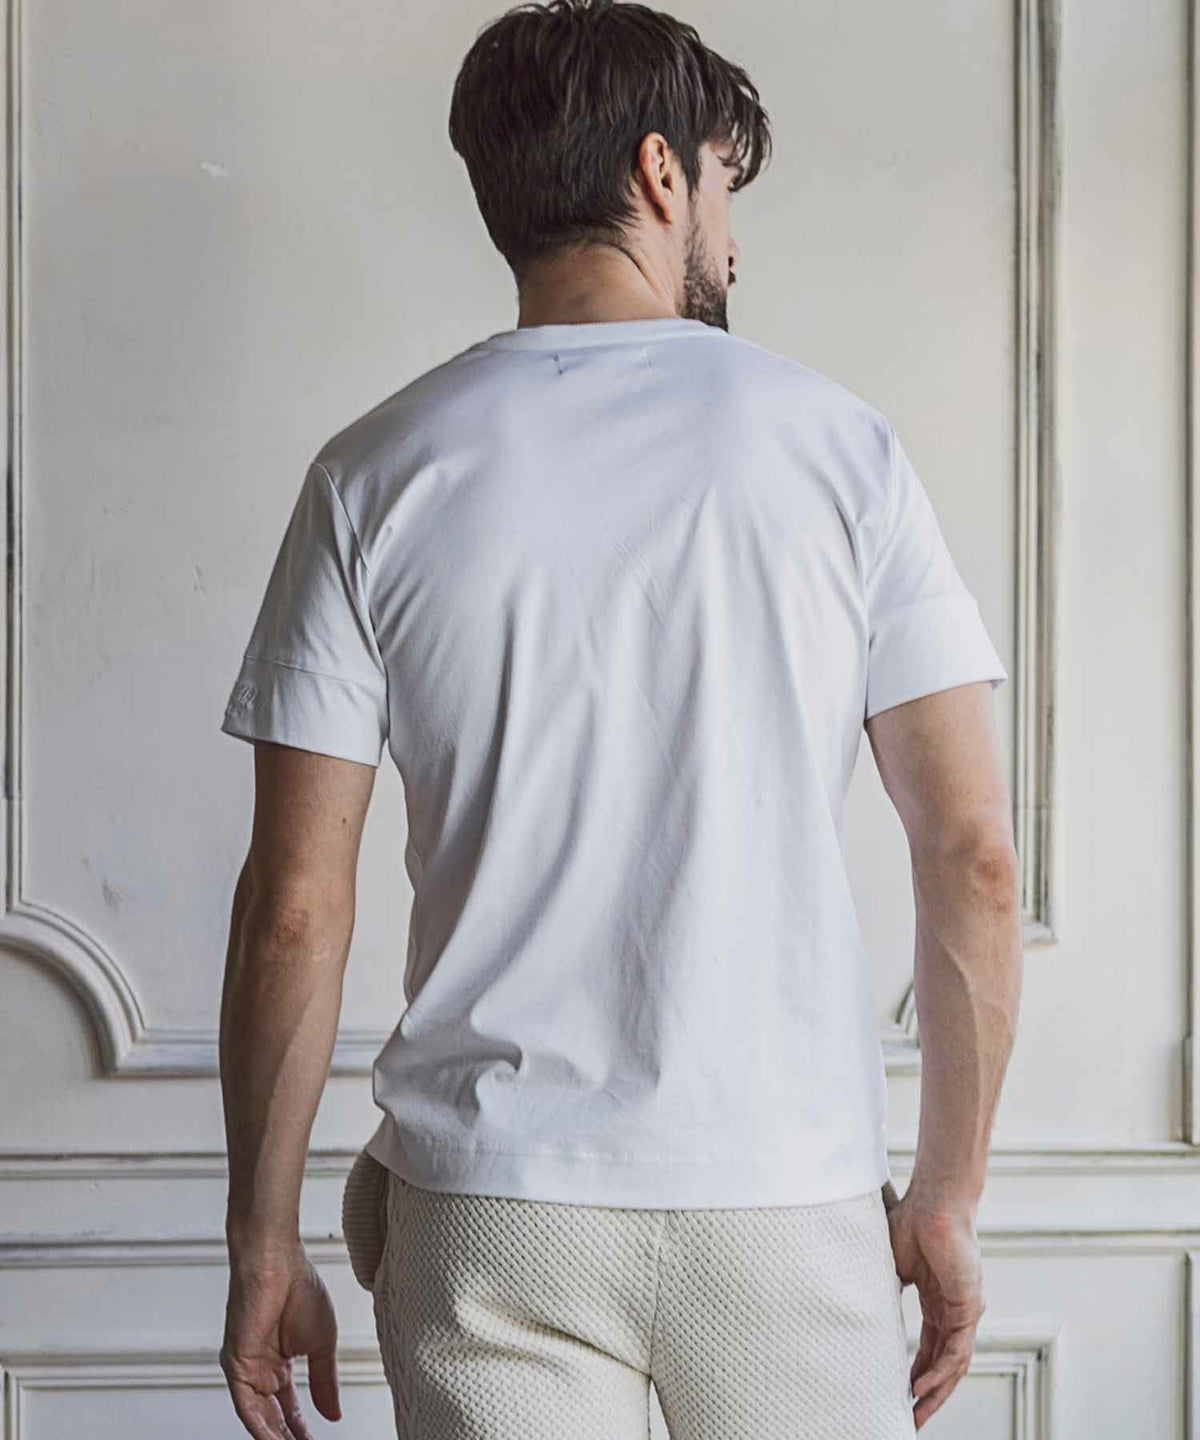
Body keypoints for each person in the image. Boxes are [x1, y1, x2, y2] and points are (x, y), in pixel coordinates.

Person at [216, 0, 1024, 1436]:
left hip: (491, 1203)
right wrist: (948, 1198)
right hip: (782, 1196)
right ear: (662, 172)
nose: (731, 238)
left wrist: (261, 1241)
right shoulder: (842, 452)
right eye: (723, 185)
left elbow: (294, 904)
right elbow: (974, 858)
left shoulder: (371, 474)